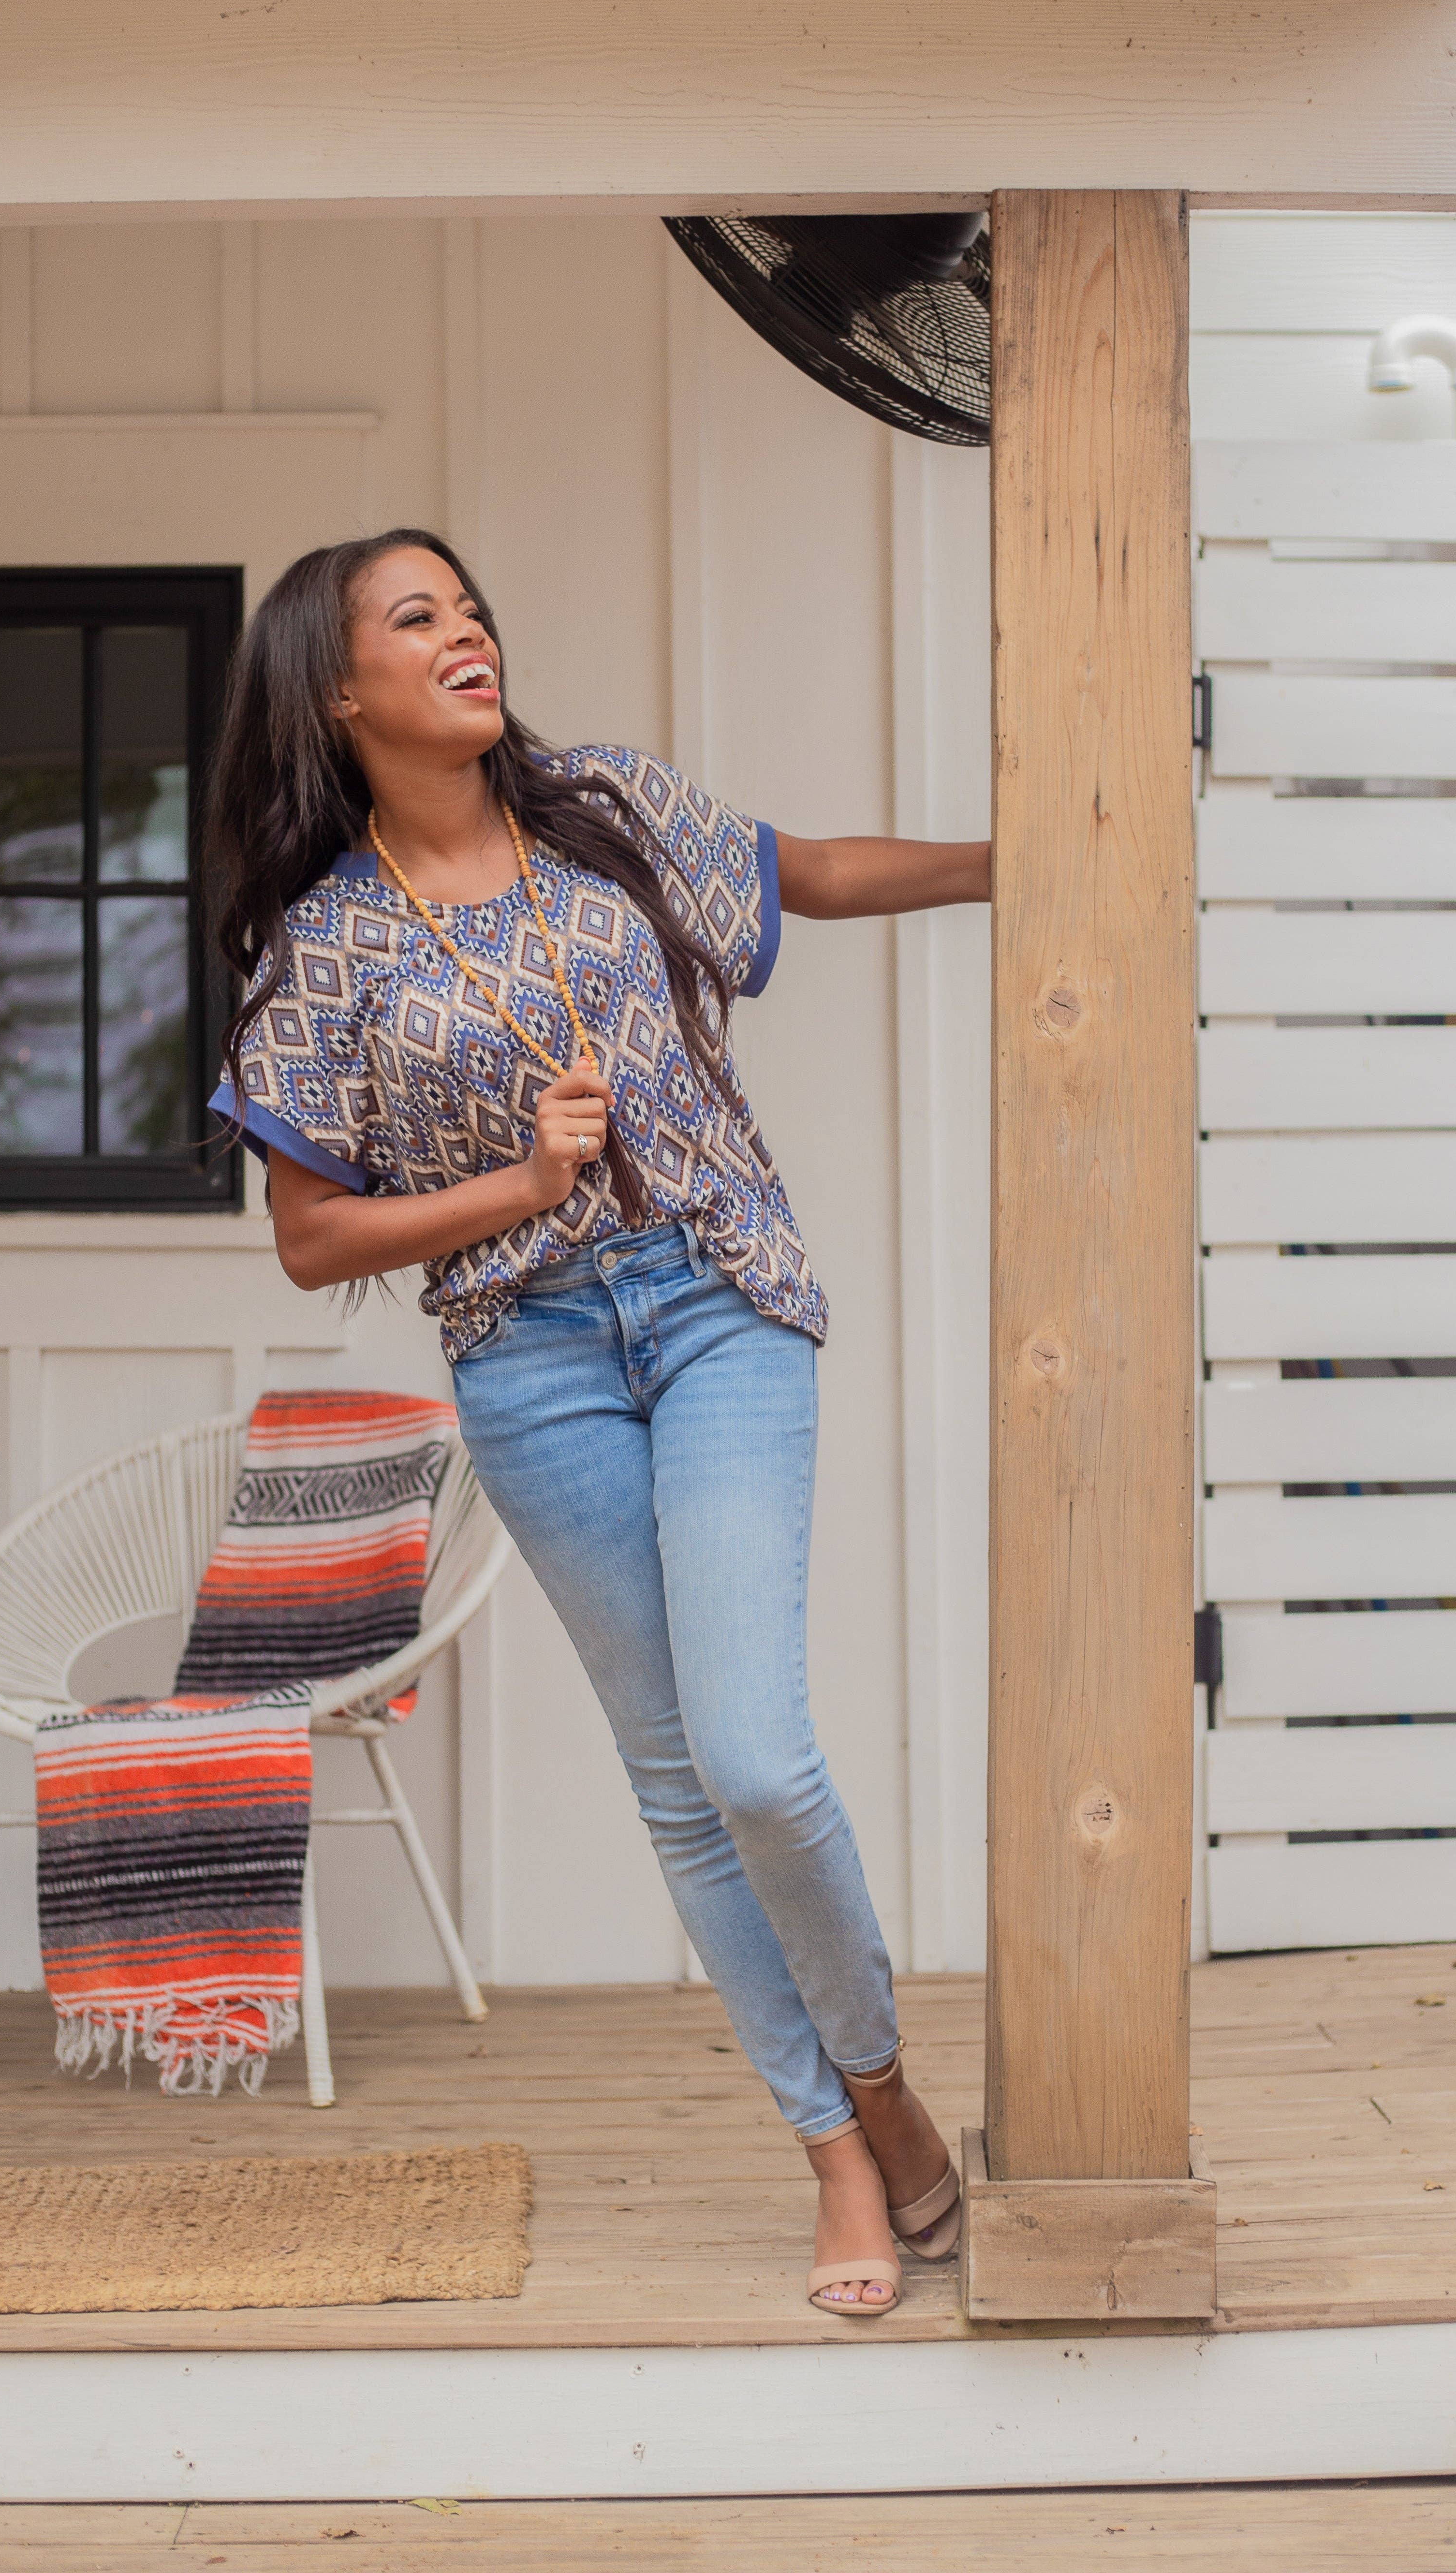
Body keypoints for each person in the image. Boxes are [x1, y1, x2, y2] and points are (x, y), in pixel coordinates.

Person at [206, 528, 991, 2315]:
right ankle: (841, 2167)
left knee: (757, 1757)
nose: (466, 631)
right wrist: (510, 1183)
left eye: (470, 604)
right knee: (679, 1789)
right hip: (532, 1362)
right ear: (344, 690)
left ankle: (882, 2086)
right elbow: (313, 1236)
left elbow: (816, 871)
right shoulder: (330, 949)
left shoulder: (604, 812)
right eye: (421, 619)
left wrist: (1033, 861)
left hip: (716, 1298)